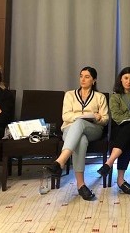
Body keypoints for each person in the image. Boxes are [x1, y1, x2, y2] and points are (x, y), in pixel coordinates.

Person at [45, 66, 109, 201]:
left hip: (93, 129)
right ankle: (81, 185)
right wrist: (83, 115)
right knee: (81, 140)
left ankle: (60, 161)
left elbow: (105, 119)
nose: (83, 79)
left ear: (94, 80)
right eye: (81, 76)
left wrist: (98, 118)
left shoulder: (100, 97)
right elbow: (65, 116)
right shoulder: (69, 94)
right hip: (69, 129)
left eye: (87, 77)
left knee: (80, 123)